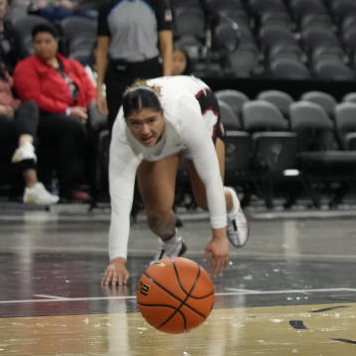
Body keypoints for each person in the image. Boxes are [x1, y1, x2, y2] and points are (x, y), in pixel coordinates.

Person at [100, 77, 250, 286]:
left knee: (204, 199)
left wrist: (219, 236)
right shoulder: (122, 137)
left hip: (200, 112)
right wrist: (117, 260)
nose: (144, 131)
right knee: (156, 214)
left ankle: (231, 201)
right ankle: (172, 244)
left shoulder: (184, 114)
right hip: (167, 137)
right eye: (136, 123)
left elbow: (212, 179)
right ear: (126, 122)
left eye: (151, 120)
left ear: (162, 113)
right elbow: (120, 207)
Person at [12, 22, 95, 201]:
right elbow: (33, 97)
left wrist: (86, 109)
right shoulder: (25, 67)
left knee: (97, 126)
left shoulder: (72, 65)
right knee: (72, 128)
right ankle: (70, 186)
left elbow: (90, 90)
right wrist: (67, 110)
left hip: (78, 112)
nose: (43, 46)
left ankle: (100, 186)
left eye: (47, 41)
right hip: (44, 117)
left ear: (56, 42)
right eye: (38, 42)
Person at [95, 0, 173, 125]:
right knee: (117, 125)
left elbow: (167, 46)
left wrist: (166, 82)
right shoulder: (108, 6)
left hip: (148, 71)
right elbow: (101, 49)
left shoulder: (158, 2)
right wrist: (99, 87)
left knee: (150, 126)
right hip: (118, 73)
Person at [0, 30, 58, 204]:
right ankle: (31, 185)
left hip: (10, 111)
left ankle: (25, 147)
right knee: (25, 128)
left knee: (30, 107)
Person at [0, 0, 26, 72]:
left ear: (5, 6)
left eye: (0, 3)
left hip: (17, 73)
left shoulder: (12, 30)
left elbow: (25, 55)